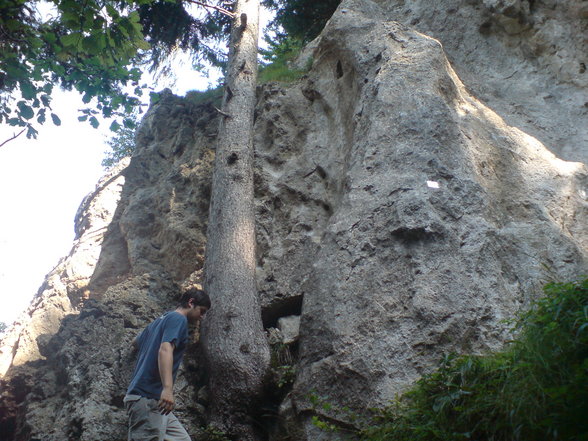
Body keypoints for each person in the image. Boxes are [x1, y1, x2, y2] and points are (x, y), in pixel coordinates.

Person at [124, 288, 211, 441]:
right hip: (147, 398)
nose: (202, 317)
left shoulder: (158, 322)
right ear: (191, 303)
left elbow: (135, 342)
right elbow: (165, 349)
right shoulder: (178, 319)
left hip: (155, 401)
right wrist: (167, 389)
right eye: (201, 311)